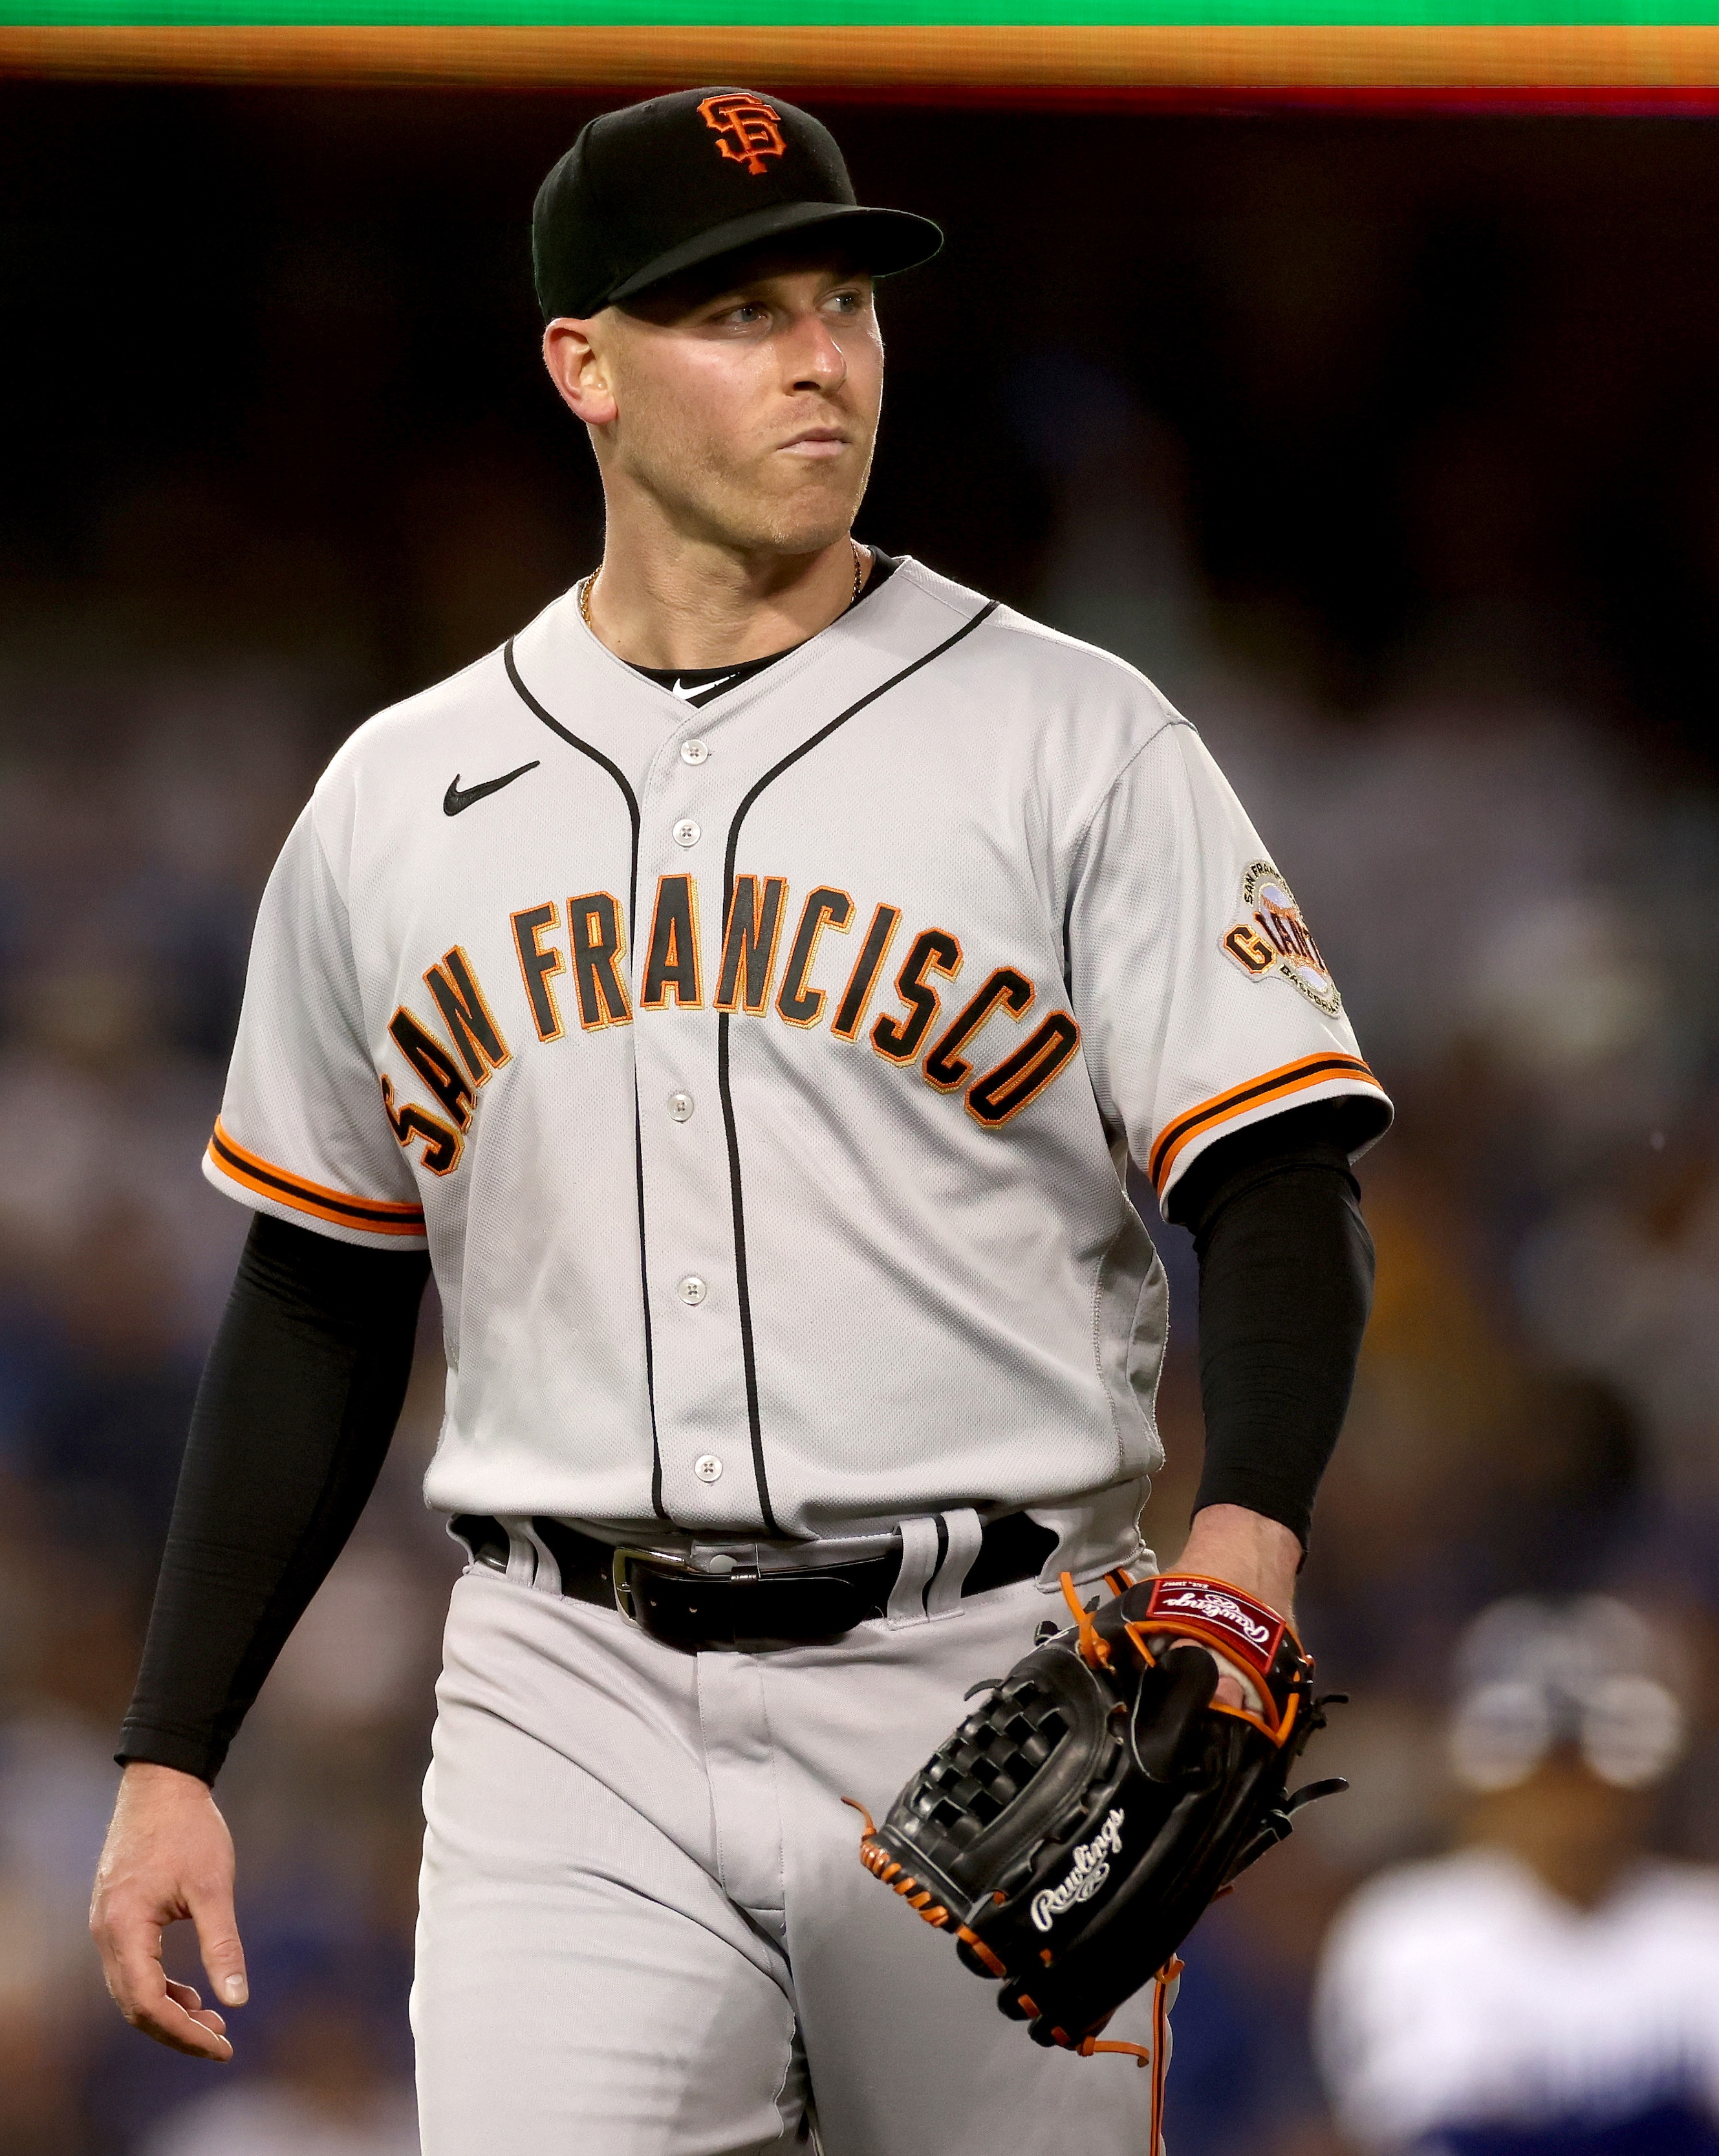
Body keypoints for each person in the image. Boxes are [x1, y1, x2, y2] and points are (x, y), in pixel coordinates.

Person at [86, 85, 1390, 2155]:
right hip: (560, 1693)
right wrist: (173, 1748)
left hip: (985, 1666)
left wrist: (1250, 1524)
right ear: (579, 367)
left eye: (841, 308)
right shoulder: (395, 798)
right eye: (738, 313)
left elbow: (1276, 1173)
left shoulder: (1071, 736)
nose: (817, 356)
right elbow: (320, 1295)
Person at [1318, 1597, 1719, 2156]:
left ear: (1644, 1784)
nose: (1572, 1803)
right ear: (1484, 1784)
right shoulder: (1410, 1932)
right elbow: (1440, 2140)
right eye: (1548, 1772)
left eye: (1591, 1771)